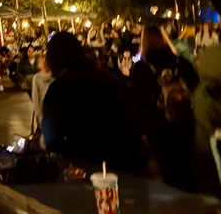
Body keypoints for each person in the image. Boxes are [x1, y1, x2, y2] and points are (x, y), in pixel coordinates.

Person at [41, 32, 146, 172]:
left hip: (90, 170)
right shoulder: (108, 78)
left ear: (52, 59)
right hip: (130, 163)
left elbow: (52, 141)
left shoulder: (58, 91)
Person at [130, 25, 199, 191]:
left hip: (158, 125)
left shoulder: (142, 67)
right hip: (185, 121)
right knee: (188, 168)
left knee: (167, 172)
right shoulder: (180, 62)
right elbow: (196, 86)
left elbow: (137, 101)